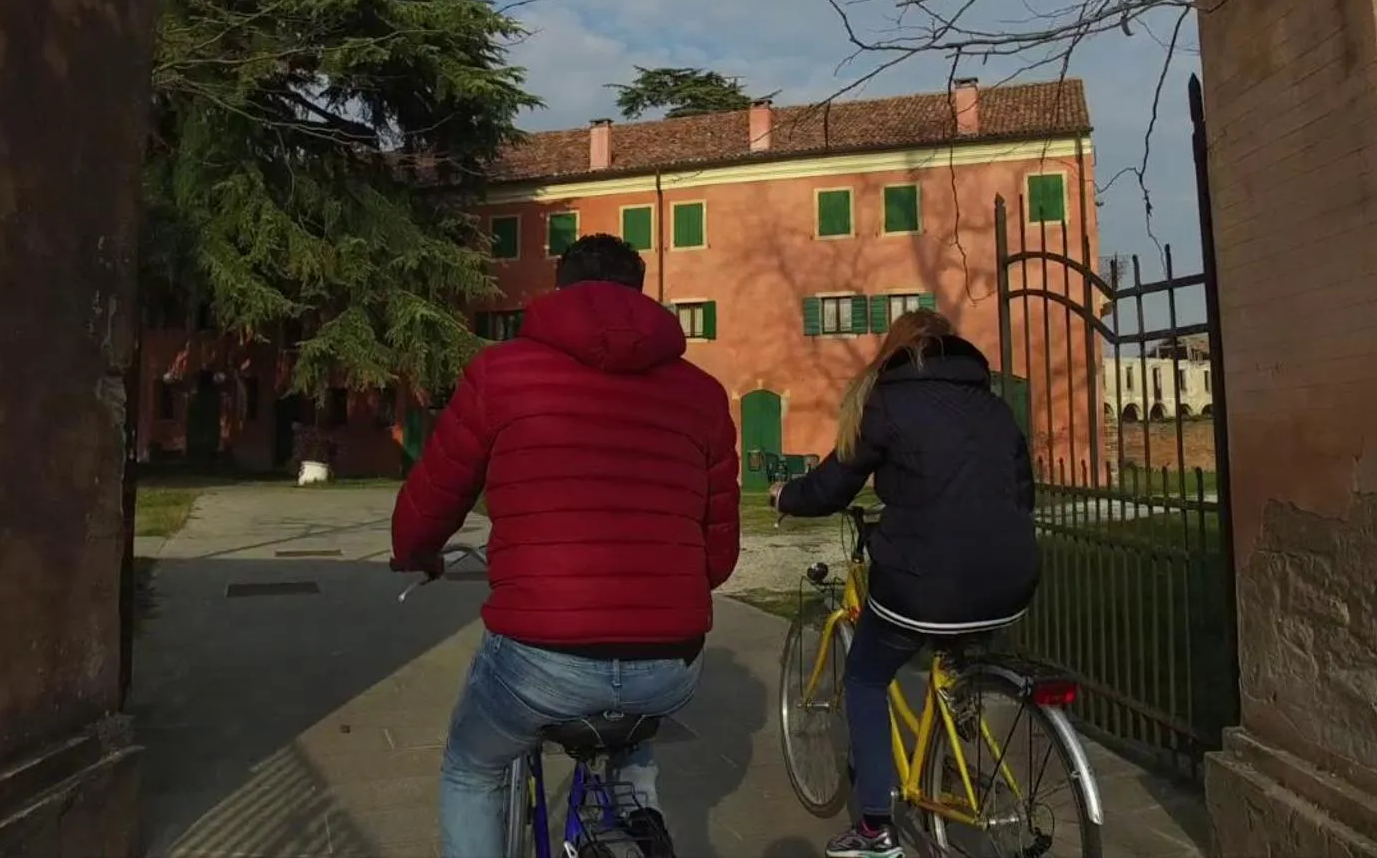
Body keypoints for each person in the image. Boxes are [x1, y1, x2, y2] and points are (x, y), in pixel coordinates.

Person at [390, 232, 741, 858]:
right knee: (632, 707)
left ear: (561, 290)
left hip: (541, 659)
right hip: (670, 667)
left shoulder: (501, 373)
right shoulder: (703, 394)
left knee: (473, 766)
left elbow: (436, 492)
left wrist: (417, 552)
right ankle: (635, 796)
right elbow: (719, 554)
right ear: (641, 294)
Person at [773, 309, 1039, 858]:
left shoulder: (887, 400)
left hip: (926, 583)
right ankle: (954, 727)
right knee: (953, 637)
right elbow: (1022, 492)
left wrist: (787, 497)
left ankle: (875, 829)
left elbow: (834, 483)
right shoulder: (993, 406)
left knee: (866, 678)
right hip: (1012, 577)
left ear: (897, 350)